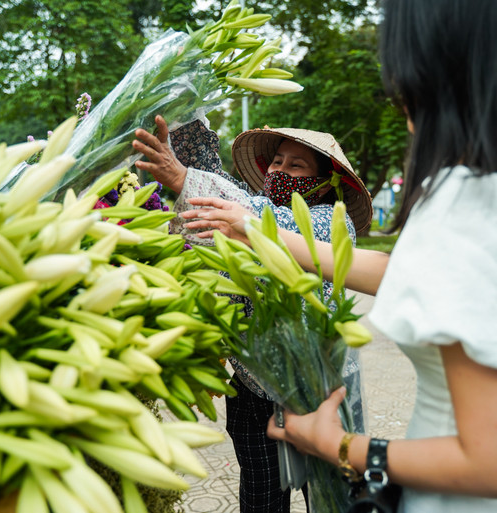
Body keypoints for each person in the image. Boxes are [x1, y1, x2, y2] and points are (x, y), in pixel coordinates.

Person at [177, 0, 497, 510]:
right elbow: (423, 275)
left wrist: (337, 445)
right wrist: (258, 231)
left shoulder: (469, 200)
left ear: (430, 71)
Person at [131, 117, 373, 513]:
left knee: (332, 500)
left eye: (296, 165)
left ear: (325, 182)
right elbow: (213, 185)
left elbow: (269, 224)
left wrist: (185, 180)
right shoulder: (249, 206)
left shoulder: (332, 220)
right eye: (277, 161)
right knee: (261, 501)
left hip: (319, 392)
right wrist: (182, 119)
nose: (280, 170)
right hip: (254, 390)